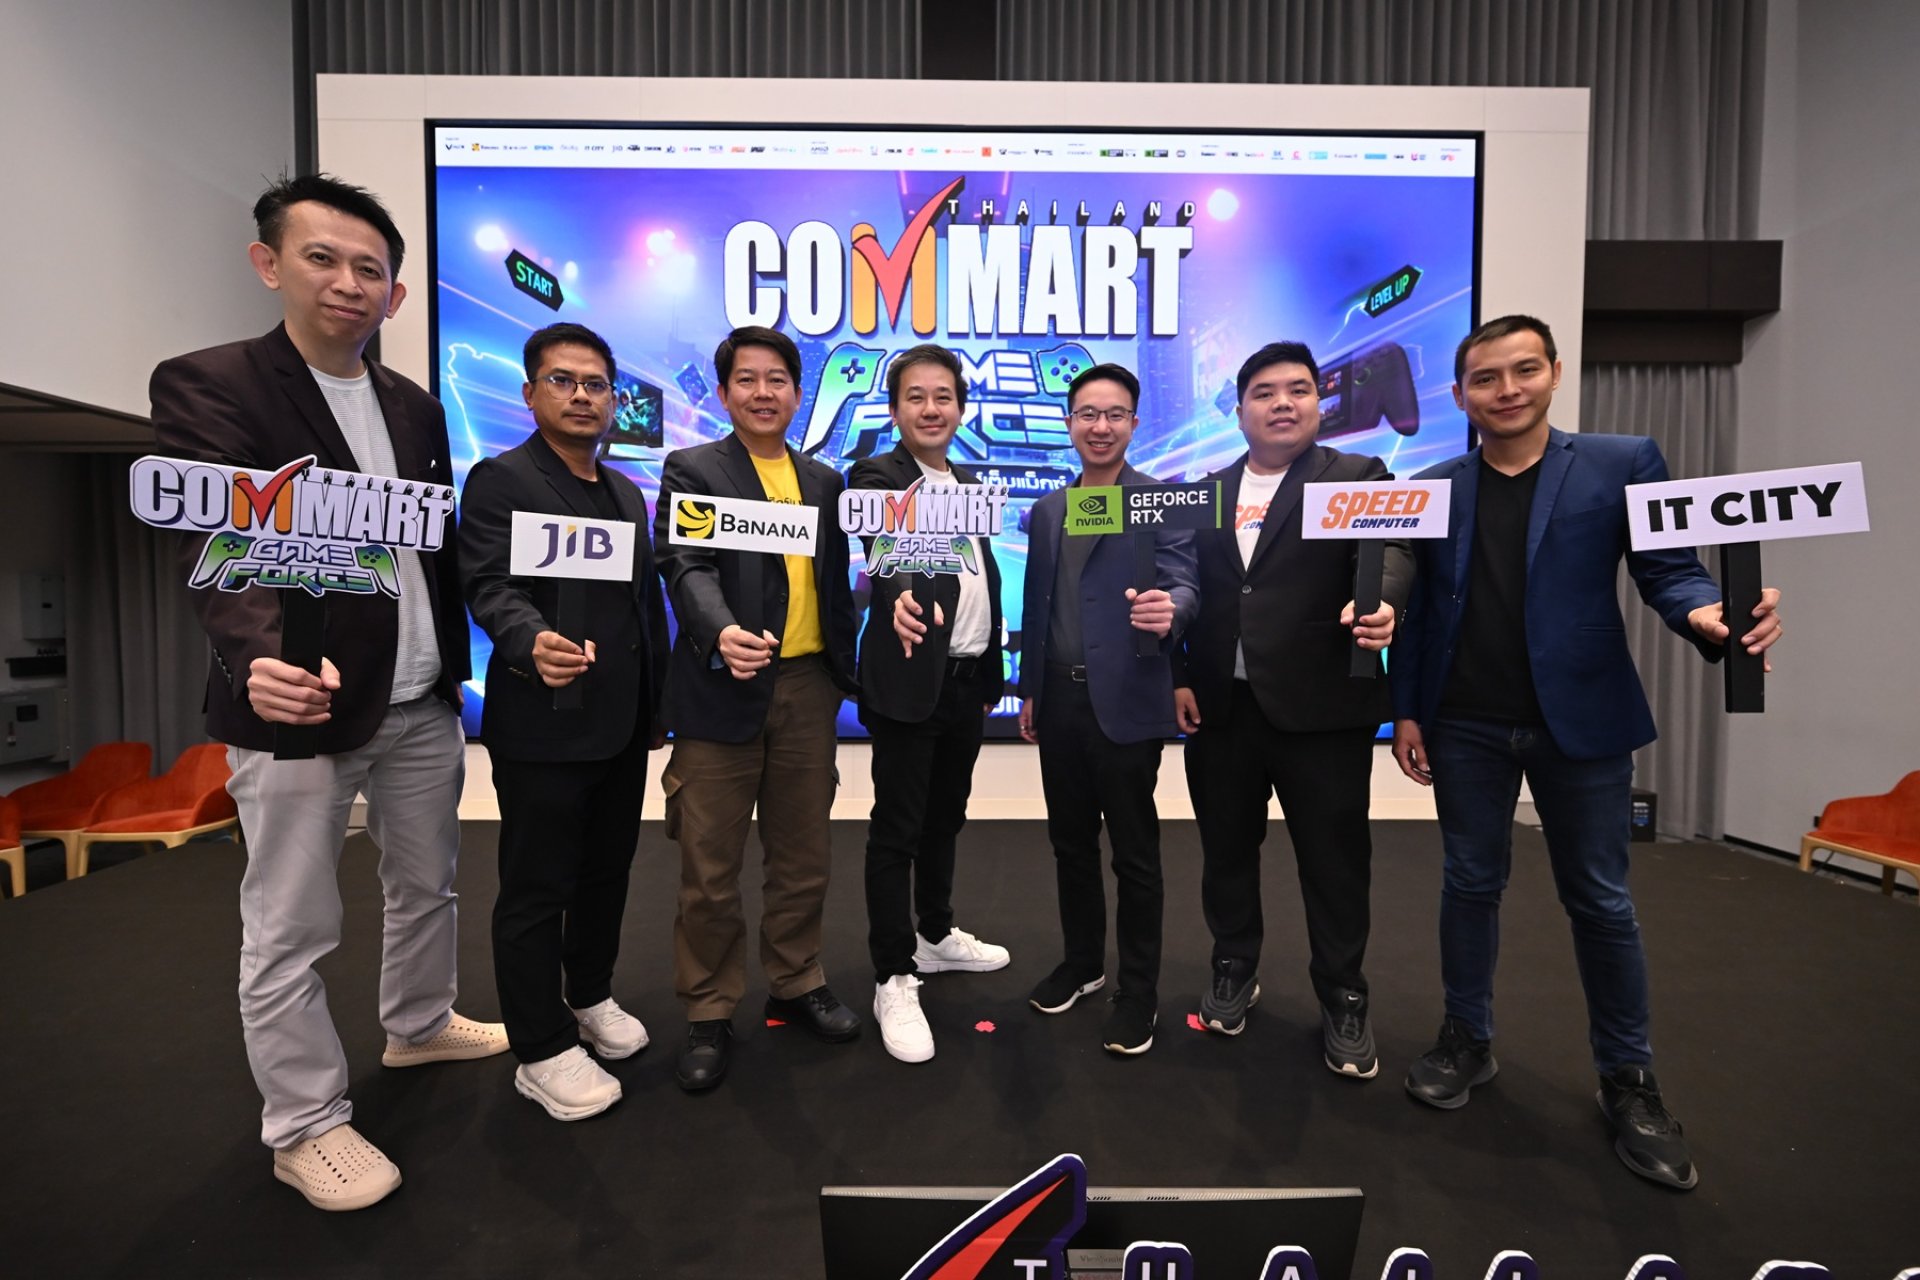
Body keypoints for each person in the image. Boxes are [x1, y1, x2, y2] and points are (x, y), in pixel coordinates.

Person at [149, 174, 504, 1212]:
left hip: (421, 700)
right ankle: (304, 1123)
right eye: (323, 258)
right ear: (269, 264)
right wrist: (261, 655)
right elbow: (216, 539)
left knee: (427, 884)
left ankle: (419, 1023)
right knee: (291, 924)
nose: (348, 282)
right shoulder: (214, 384)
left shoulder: (415, 405)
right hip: (296, 704)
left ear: (396, 293)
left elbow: (426, 548)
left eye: (370, 268)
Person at [1389, 314, 1782, 1190]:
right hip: (1465, 725)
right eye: (1486, 378)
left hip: (1584, 721)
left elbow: (1669, 570)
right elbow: (1416, 612)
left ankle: (1628, 1079)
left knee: (1601, 901)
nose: (1507, 390)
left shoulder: (1621, 462)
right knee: (1468, 884)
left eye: (1524, 370)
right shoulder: (1433, 485)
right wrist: (1406, 712)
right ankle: (1467, 1039)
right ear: (1460, 395)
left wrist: (1706, 613)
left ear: (1555, 373)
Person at [1172, 340, 1408, 1079]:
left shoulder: (1358, 476)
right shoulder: (1206, 490)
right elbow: (1185, 586)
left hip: (1322, 710)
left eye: (1298, 389)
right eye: (1264, 392)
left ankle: (1343, 995)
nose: (1282, 403)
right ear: (1239, 410)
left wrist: (1383, 603)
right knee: (1226, 854)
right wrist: (1179, 674)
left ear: (1317, 402)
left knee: (1335, 864)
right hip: (1222, 710)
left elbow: (1392, 553)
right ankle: (1233, 966)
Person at [459, 322, 670, 1121]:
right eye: (562, 380)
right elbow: (488, 585)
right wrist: (528, 641)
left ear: (613, 400)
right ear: (529, 393)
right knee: (536, 886)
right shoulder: (502, 480)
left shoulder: (624, 493)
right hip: (543, 724)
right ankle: (540, 1046)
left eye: (595, 384)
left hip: (620, 724)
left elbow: (640, 608)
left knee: (606, 874)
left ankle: (588, 995)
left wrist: (656, 708)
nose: (581, 395)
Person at [652, 325, 862, 1092]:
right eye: (747, 379)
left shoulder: (825, 482)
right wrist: (720, 632)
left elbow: (836, 583)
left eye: (778, 379)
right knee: (709, 868)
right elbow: (685, 563)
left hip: (808, 690)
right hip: (721, 689)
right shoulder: (694, 469)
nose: (763, 392)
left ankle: (797, 979)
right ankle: (709, 1007)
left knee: (803, 857)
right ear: (724, 392)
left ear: (798, 393)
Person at [1017, 363, 1199, 1055]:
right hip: (1059, 698)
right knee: (1069, 843)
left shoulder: (1158, 501)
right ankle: (1083, 962)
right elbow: (1038, 606)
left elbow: (1184, 582)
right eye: (1088, 414)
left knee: (1135, 854)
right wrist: (1031, 689)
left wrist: (1171, 610)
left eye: (1115, 414)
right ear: (1069, 423)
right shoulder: (1049, 510)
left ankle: (1138, 991)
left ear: (1134, 423)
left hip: (1126, 698)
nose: (1101, 426)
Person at [849, 343, 1011, 1064]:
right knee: (898, 830)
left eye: (943, 396)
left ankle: (935, 934)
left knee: (946, 816)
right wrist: (900, 593)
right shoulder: (879, 474)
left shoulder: (970, 484)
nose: (930, 408)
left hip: (969, 680)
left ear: (961, 409)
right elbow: (885, 545)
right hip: (911, 681)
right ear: (895, 410)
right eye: (915, 396)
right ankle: (892, 974)